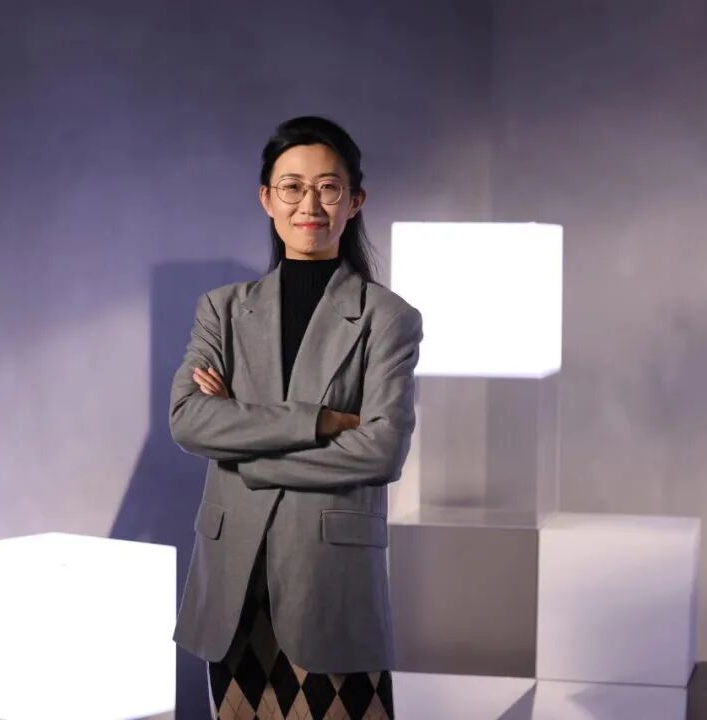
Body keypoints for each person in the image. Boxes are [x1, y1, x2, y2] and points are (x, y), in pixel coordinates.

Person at [169, 115, 423, 720]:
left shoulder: (388, 318)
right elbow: (189, 419)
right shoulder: (222, 310)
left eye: (328, 187)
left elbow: (381, 451)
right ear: (267, 198)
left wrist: (247, 456)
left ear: (355, 201)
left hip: (328, 578)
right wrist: (321, 422)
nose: (310, 204)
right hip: (234, 582)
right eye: (292, 187)